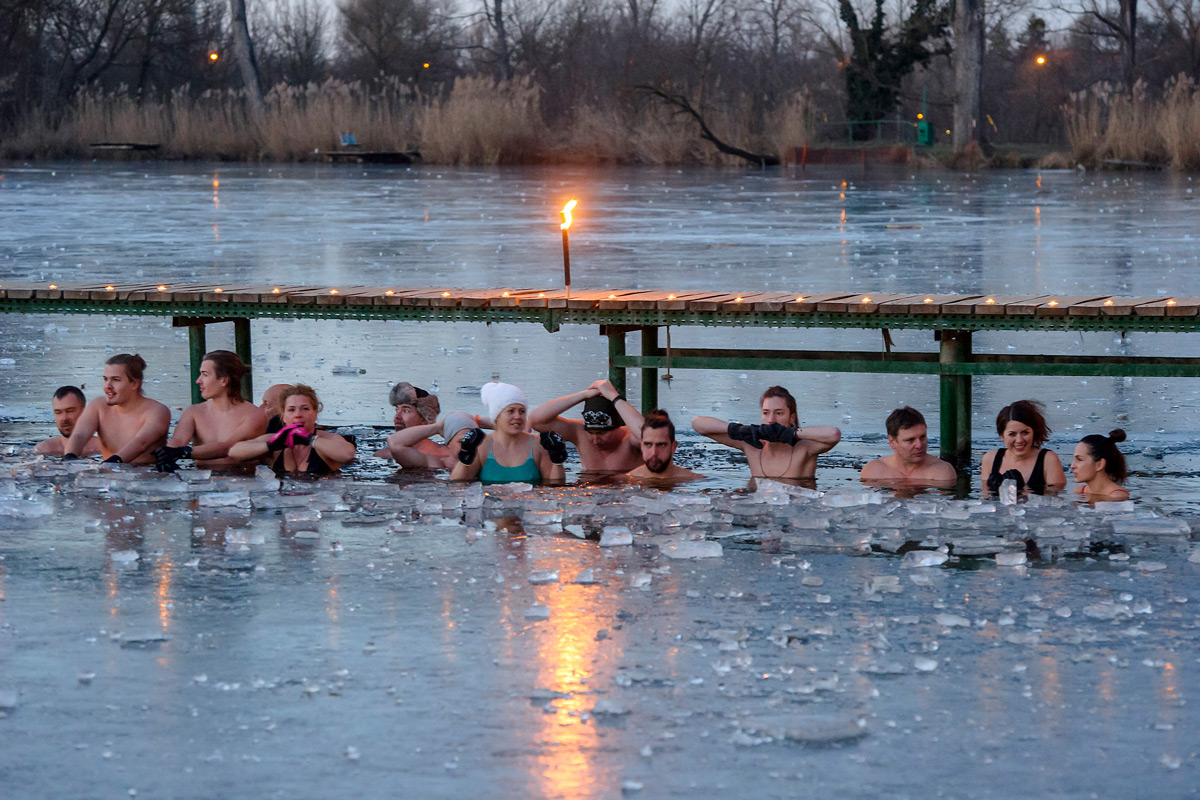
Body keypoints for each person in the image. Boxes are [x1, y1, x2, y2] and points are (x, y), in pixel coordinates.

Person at [691, 385, 841, 481]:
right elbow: (698, 424)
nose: (771, 420)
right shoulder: (751, 445)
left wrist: (791, 433)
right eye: (766, 413)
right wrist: (741, 430)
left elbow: (833, 434)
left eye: (779, 413)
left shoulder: (805, 448)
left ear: (792, 418)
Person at [153, 351, 268, 470]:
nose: (198, 380)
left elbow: (227, 448)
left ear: (224, 380)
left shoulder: (254, 415)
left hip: (242, 479)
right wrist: (166, 454)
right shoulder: (194, 412)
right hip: (203, 481)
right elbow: (177, 440)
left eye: (205, 375)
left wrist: (183, 452)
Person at [62, 354, 170, 465]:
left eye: (116, 380)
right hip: (107, 477)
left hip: (145, 478)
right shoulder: (98, 406)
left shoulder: (157, 411)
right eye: (105, 379)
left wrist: (109, 465)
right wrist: (70, 459)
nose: (107, 386)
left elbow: (141, 442)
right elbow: (79, 435)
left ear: (134, 384)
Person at [452, 382, 564, 485]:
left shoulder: (538, 444)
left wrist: (557, 460)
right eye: (511, 411)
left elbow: (554, 486)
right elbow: (458, 484)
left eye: (522, 411)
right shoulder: (481, 445)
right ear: (497, 416)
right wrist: (465, 457)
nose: (517, 417)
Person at [228, 384, 355, 475]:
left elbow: (347, 455)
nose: (298, 415)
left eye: (305, 409)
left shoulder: (328, 439)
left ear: (315, 413)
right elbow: (235, 452)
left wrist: (311, 440)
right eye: (291, 410)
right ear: (283, 416)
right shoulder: (275, 439)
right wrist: (270, 445)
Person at [529, 379, 645, 473]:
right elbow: (537, 420)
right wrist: (584, 395)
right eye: (591, 432)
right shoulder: (579, 433)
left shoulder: (630, 438)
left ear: (616, 427)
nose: (595, 440)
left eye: (601, 433)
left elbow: (646, 435)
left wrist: (614, 397)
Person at [981, 400, 1065, 493]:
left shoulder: (1048, 460)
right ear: (1002, 436)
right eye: (1012, 434)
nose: (1019, 440)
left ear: (1034, 432)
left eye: (1025, 433)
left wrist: (1021, 490)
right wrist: (992, 491)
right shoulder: (990, 459)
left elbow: (1055, 503)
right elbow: (984, 501)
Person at [860, 406, 957, 486]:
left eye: (922, 437)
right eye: (910, 440)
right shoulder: (874, 471)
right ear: (892, 441)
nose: (919, 445)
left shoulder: (941, 472)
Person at [386, 411, 481, 470]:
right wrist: (437, 427)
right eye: (462, 441)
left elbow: (496, 426)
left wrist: (478, 421)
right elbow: (395, 443)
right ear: (449, 444)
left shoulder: (484, 462)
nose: (469, 445)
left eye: (474, 440)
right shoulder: (437, 464)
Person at [373, 382, 442, 459]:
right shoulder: (383, 455)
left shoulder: (444, 457)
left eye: (405, 411)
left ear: (425, 418)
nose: (397, 417)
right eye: (397, 410)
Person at [628, 410, 700, 482]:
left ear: (673, 447)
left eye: (661, 445)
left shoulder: (696, 482)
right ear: (641, 446)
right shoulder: (627, 481)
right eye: (648, 444)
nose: (654, 453)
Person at [35, 386, 100, 456]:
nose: (64, 418)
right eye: (58, 412)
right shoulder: (43, 450)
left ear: (84, 412)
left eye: (69, 411)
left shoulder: (102, 449)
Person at [1071, 429, 1130, 501]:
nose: (1072, 466)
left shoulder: (1117, 496)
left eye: (1079, 459)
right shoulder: (1079, 492)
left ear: (1099, 464)